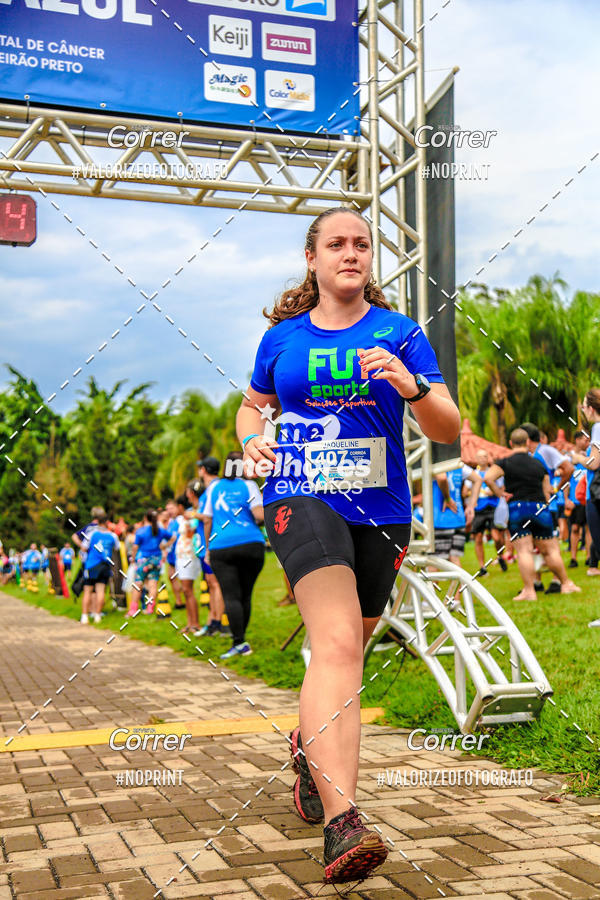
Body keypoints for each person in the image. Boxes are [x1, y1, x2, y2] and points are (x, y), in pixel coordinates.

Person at [237, 207, 460, 884]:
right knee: (333, 643)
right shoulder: (282, 340)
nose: (351, 253)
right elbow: (252, 405)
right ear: (312, 258)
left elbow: (448, 426)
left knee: (348, 648)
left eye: (362, 244)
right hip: (300, 493)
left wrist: (409, 384)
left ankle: (309, 748)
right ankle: (344, 822)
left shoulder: (400, 333)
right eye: (336, 243)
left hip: (382, 509)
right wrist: (252, 438)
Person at [484, 428, 580, 602]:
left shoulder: (505, 462)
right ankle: (566, 583)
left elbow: (488, 478)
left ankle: (529, 591)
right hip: (539, 508)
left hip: (517, 508)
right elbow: (547, 490)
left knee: (524, 551)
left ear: (511, 443)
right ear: (527, 443)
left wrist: (500, 493)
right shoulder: (538, 463)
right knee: (550, 550)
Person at [203, 451, 265, 658]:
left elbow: (206, 520)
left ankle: (239, 641)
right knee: (245, 595)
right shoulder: (249, 486)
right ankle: (242, 638)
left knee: (231, 595)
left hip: (221, 545)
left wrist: (207, 548)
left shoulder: (214, 487)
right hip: (251, 543)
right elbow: (260, 515)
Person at [520, 423, 574, 594]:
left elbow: (569, 468)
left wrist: (557, 488)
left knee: (550, 543)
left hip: (548, 505)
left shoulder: (546, 451)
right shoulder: (528, 454)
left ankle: (558, 580)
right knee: (535, 543)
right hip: (533, 504)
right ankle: (536, 581)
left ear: (527, 439)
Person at [572, 391, 600, 625]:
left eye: (583, 406)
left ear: (591, 408)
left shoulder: (598, 428)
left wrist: (577, 457)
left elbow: (594, 463)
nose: (582, 410)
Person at [194, 459, 227, 636]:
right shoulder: (210, 489)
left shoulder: (214, 488)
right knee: (211, 584)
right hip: (205, 544)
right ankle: (212, 621)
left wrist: (193, 514)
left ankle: (217, 622)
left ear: (204, 470)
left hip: (212, 543)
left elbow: (209, 517)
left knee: (215, 584)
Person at [468, 449, 508, 575]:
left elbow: (502, 488)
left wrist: (494, 491)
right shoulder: (473, 473)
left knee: (497, 537)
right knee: (478, 538)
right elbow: (466, 490)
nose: (482, 459)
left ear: (488, 458)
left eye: (485, 456)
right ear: (476, 458)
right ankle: (482, 567)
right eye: (479, 457)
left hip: (493, 506)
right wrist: (473, 493)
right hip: (479, 507)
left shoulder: (494, 471)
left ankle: (500, 556)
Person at [432, 464, 480, 567]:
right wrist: (471, 506)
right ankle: (463, 584)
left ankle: (431, 584)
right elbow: (478, 479)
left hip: (440, 519)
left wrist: (447, 498)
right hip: (458, 518)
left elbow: (442, 477)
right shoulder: (458, 464)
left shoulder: (435, 463)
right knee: (454, 560)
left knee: (433, 562)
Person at [129, 510, 172, 617]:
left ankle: (133, 610)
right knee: (153, 584)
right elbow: (173, 537)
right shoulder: (160, 530)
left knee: (138, 584)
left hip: (143, 560)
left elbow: (135, 547)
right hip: (157, 560)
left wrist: (133, 558)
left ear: (145, 518)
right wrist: (165, 546)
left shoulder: (140, 531)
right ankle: (150, 608)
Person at [81, 512, 119, 624]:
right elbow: (116, 548)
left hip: (92, 565)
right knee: (100, 591)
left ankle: (85, 616)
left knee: (87, 590)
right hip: (105, 565)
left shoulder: (93, 534)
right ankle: (97, 615)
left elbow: (83, 548)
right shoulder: (113, 536)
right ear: (107, 523)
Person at [174, 494, 202, 634]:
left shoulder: (192, 516)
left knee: (188, 590)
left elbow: (192, 533)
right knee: (186, 591)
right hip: (182, 556)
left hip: (189, 556)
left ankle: (195, 623)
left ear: (180, 506)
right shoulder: (181, 518)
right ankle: (190, 623)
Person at [564, 431, 590, 568]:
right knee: (574, 528)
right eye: (584, 440)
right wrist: (566, 498)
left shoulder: (590, 457)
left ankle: (589, 557)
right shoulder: (569, 459)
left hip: (588, 498)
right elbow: (566, 482)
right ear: (577, 440)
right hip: (575, 500)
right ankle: (573, 558)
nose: (587, 442)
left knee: (589, 528)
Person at [164, 499, 185, 610]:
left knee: (183, 579)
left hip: (180, 553)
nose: (169, 511)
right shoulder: (171, 522)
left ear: (178, 508)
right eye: (167, 509)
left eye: (171, 508)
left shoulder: (181, 520)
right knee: (171, 577)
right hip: (171, 554)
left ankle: (185, 599)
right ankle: (179, 601)